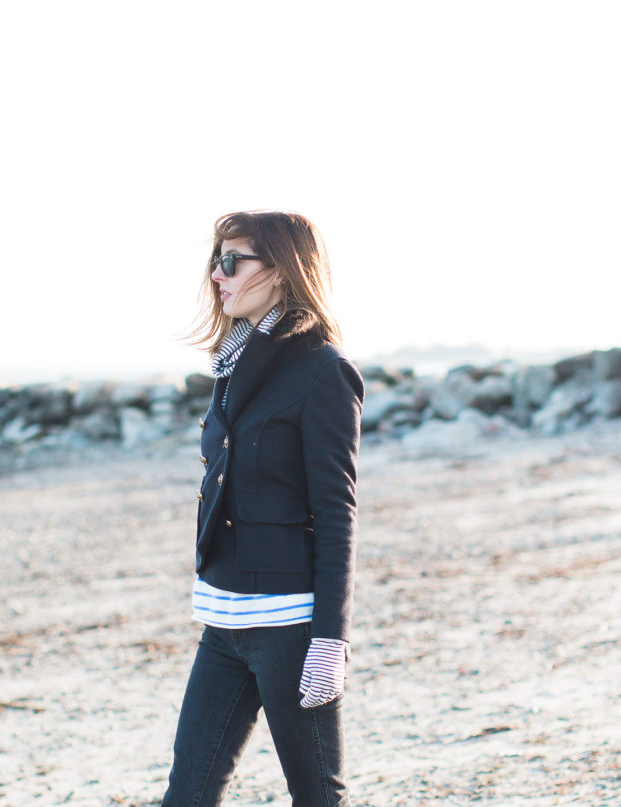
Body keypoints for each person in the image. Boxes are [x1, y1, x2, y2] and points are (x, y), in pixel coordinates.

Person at [161, 211, 364, 806]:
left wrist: (331, 639)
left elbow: (337, 513)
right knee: (188, 795)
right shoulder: (232, 365)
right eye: (215, 263)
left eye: (233, 261)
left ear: (281, 268)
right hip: (222, 619)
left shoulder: (324, 371)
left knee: (316, 795)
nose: (218, 277)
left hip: (289, 625)